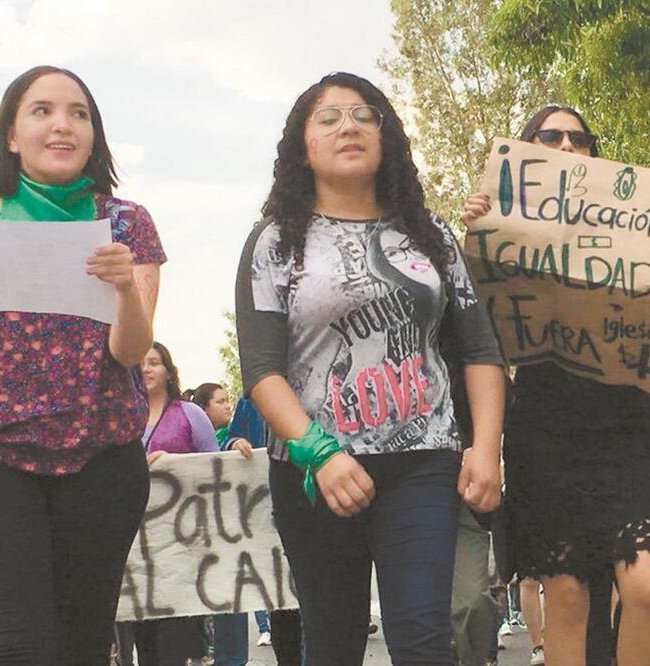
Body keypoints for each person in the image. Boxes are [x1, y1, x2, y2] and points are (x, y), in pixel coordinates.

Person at [237, 71, 506, 665]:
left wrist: (485, 448)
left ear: (387, 137)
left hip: (424, 463)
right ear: (302, 146)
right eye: (328, 118)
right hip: (315, 473)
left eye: (364, 115)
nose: (348, 127)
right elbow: (260, 368)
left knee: (423, 637)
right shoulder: (274, 242)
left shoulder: (431, 235)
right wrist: (320, 453)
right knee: (331, 643)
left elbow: (482, 350)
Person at [0, 65, 163, 665]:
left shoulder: (127, 223)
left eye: (79, 113)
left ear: (94, 136)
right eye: (41, 111)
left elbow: (129, 352)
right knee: (13, 646)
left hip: (102, 459)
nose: (62, 124)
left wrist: (124, 290)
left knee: (83, 644)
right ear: (11, 135)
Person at [462, 104, 650, 666]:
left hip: (621, 429)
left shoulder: (633, 229)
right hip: (546, 431)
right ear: (528, 148)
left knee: (647, 588)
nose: (566, 145)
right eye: (550, 136)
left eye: (579, 138)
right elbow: (474, 331)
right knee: (567, 597)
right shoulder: (496, 225)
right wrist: (476, 241)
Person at [132, 343, 220, 666]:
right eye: (140, 362)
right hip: (136, 547)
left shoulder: (190, 414)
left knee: (173, 639)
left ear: (169, 371)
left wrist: (174, 466)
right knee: (146, 641)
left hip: (181, 544)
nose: (147, 369)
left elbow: (216, 467)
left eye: (154, 362)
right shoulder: (124, 416)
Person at [185, 382, 257, 666]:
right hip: (220, 523)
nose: (227, 405)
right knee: (229, 588)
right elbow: (231, 440)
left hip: (257, 516)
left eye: (228, 400)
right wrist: (232, 443)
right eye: (220, 401)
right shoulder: (251, 400)